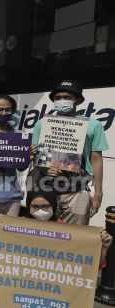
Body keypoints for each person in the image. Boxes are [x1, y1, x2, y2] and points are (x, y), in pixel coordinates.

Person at [0, 190, 113, 308]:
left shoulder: (68, 232)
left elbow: (91, 266)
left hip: (50, 285)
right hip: (22, 280)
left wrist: (104, 247)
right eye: (35, 207)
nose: (40, 211)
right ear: (29, 207)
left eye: (45, 206)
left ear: (53, 207)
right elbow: (2, 249)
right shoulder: (18, 226)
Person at [31, 80, 109, 225]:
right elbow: (36, 156)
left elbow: (96, 159)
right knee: (44, 237)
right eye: (58, 97)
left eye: (67, 97)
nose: (61, 101)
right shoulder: (41, 124)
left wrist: (98, 193)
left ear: (78, 100)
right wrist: (45, 168)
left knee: (75, 239)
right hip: (46, 190)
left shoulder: (94, 125)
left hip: (77, 191)